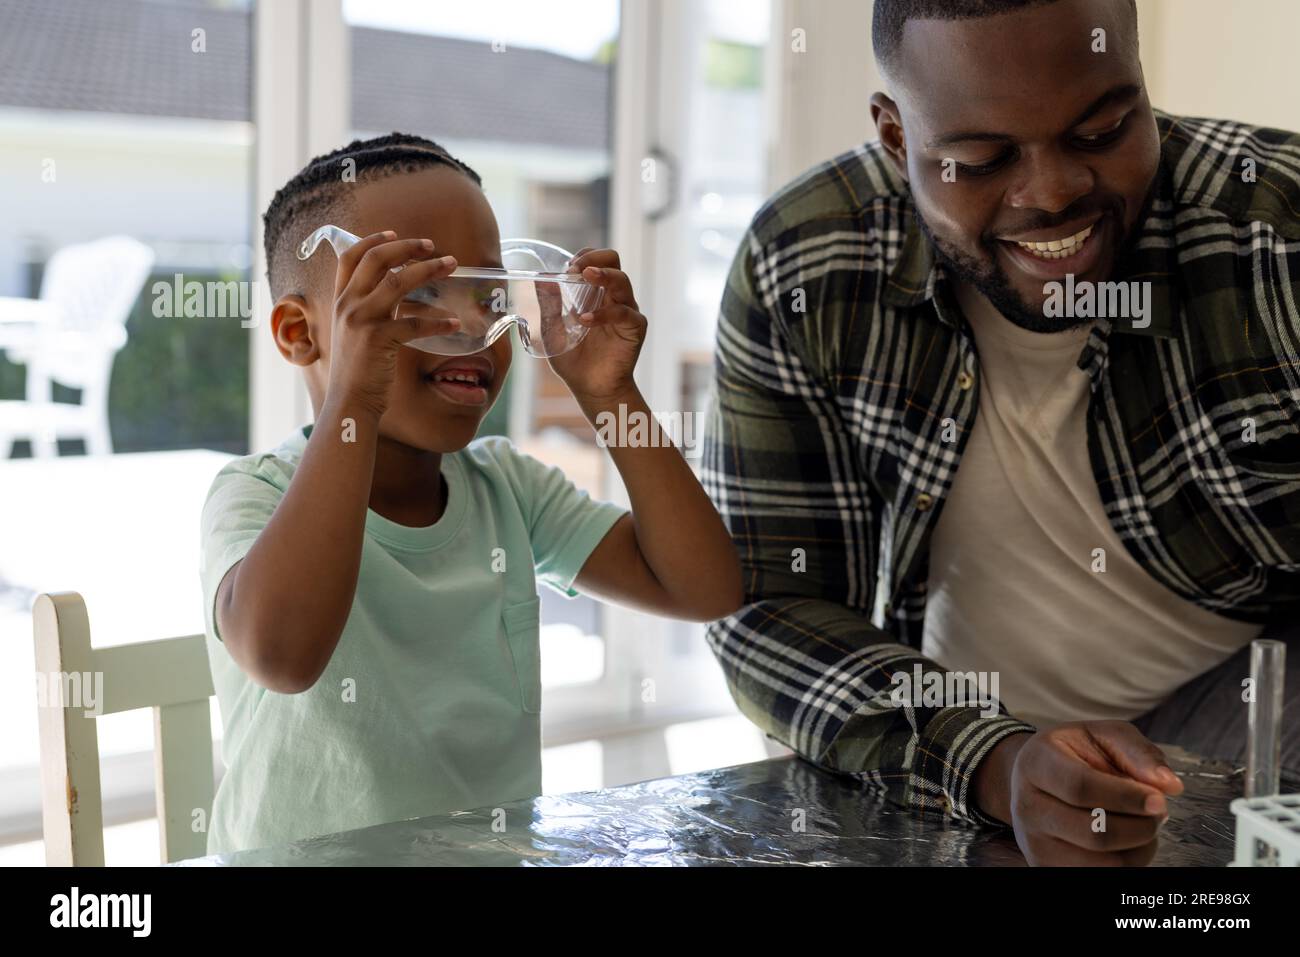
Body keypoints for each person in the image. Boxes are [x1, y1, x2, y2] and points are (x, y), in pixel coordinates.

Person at [702, 0, 1300, 865]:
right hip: (942, 739)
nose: (1052, 193)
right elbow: (768, 607)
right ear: (897, 139)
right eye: (981, 160)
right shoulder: (806, 264)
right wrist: (991, 757)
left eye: (1102, 132)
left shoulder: (1273, 237)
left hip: (1238, 709)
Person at [199, 133, 741, 854]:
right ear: (302, 335)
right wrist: (355, 395)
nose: (472, 327)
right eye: (415, 293)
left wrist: (611, 393)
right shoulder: (253, 494)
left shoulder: (507, 489)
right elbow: (283, 655)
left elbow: (705, 586)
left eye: (489, 295)